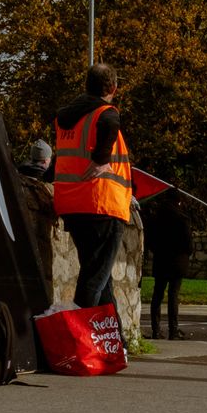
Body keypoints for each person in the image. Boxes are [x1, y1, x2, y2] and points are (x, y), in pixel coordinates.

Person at [53, 63, 134, 309]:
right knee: (94, 279)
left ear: (87, 85)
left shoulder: (67, 117)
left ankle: (113, 333)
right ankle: (79, 328)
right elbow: (111, 121)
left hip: (72, 204)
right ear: (113, 88)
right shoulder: (105, 113)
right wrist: (101, 159)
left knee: (101, 278)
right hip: (102, 203)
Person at [142, 190, 193, 340]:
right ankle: (173, 329)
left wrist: (158, 250)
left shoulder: (156, 218)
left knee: (157, 294)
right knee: (173, 295)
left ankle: (156, 329)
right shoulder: (182, 219)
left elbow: (149, 240)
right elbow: (188, 244)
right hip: (178, 261)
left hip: (161, 259)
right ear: (179, 201)